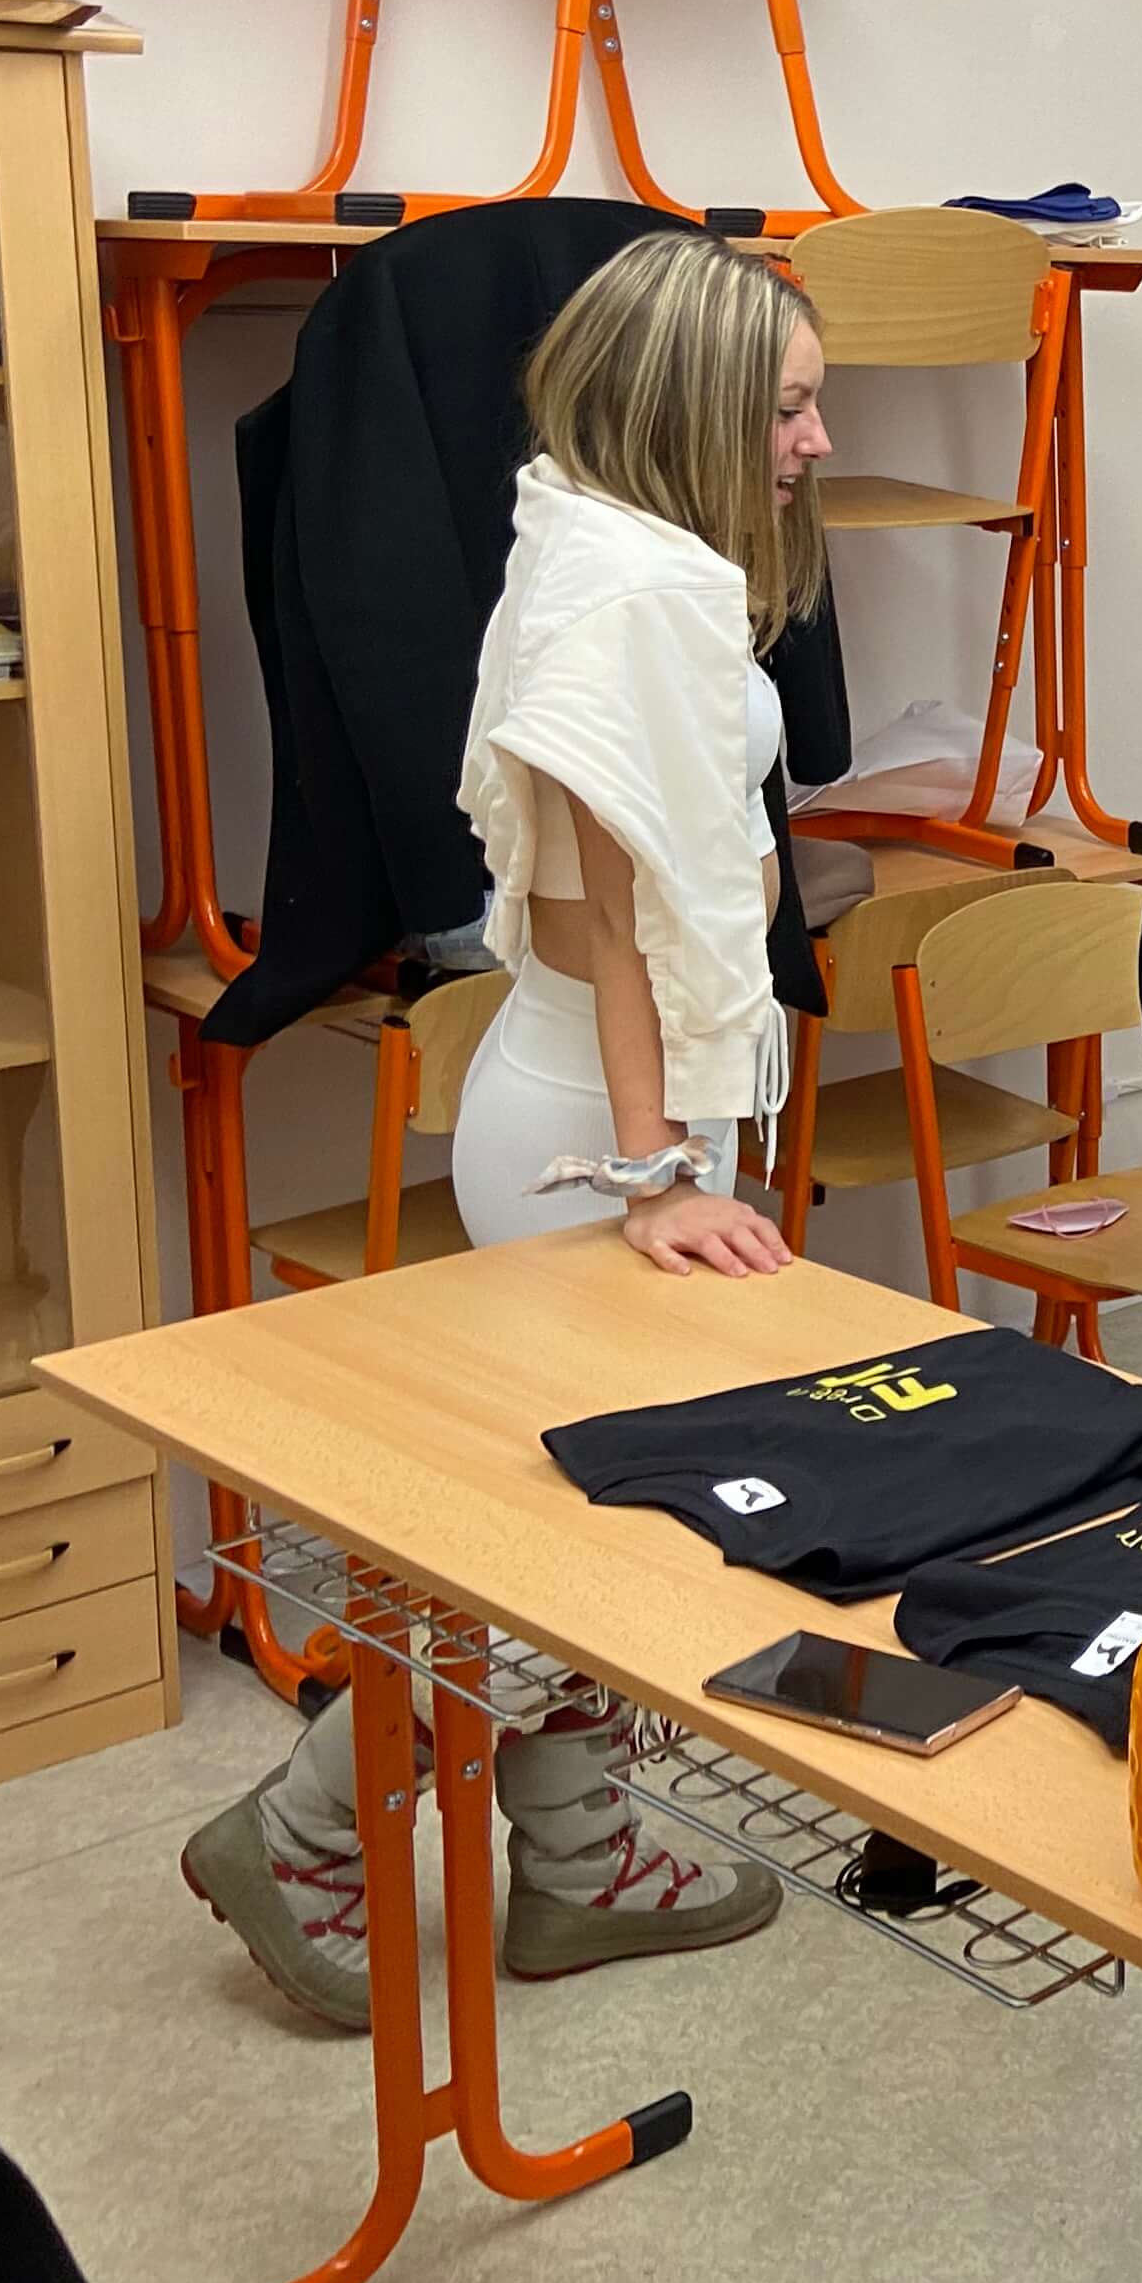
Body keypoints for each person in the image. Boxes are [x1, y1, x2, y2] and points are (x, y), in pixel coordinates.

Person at [184, 230, 825, 2025]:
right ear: (695, 405)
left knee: (602, 1537)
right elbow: (612, 915)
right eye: (788, 407)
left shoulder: (603, 533)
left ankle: (576, 1853)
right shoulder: (632, 593)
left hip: (617, 1100)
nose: (814, 441)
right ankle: (303, 1834)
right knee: (539, 1561)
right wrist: (657, 1176)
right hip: (598, 1125)